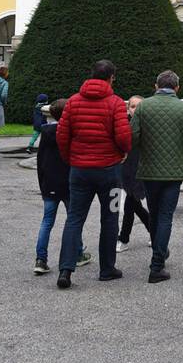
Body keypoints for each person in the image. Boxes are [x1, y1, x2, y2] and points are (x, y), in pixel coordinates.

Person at [55, 59, 132, 289]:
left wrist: (71, 158)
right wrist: (123, 153)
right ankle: (107, 269)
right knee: (110, 217)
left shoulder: (73, 102)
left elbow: (62, 135)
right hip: (110, 172)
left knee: (74, 219)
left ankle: (66, 270)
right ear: (111, 78)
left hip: (79, 171)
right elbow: (124, 137)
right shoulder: (116, 103)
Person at [131, 70, 183, 283]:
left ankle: (159, 254)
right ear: (177, 88)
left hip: (149, 171)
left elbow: (132, 137)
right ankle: (157, 265)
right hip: (172, 172)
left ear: (155, 86)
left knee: (154, 213)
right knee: (165, 216)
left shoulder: (143, 106)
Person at [33, 99, 90, 275]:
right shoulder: (71, 133)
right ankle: (78, 253)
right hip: (68, 182)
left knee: (47, 221)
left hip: (49, 183)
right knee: (73, 220)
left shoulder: (46, 132)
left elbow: (40, 160)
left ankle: (41, 259)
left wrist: (42, 184)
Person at [117, 96, 153, 251]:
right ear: (128, 108)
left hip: (143, 169)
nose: (135, 109)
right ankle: (154, 232)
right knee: (133, 204)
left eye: (139, 106)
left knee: (131, 204)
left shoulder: (150, 125)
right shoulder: (122, 124)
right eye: (132, 106)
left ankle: (123, 238)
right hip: (125, 169)